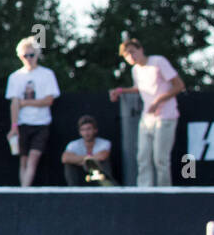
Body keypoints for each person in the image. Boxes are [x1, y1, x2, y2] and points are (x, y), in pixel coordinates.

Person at [109, 38, 185, 186]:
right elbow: (140, 88)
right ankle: (144, 192)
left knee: (160, 159)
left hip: (166, 117)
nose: (131, 56)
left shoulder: (158, 61)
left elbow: (179, 85)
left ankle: (164, 193)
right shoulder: (135, 70)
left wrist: (158, 101)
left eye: (132, 51)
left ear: (141, 49)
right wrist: (120, 91)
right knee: (143, 157)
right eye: (126, 55)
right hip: (147, 119)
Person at [6, 36, 60, 187]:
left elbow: (49, 100)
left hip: (41, 123)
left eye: (31, 55)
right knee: (23, 160)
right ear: (20, 56)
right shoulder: (15, 77)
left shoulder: (47, 74)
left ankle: (25, 190)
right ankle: (23, 191)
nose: (29, 59)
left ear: (37, 55)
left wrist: (26, 102)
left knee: (33, 158)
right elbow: (14, 104)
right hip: (23, 124)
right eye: (25, 55)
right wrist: (13, 127)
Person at [61, 115, 114, 186]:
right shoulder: (73, 144)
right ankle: (73, 190)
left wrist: (81, 160)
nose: (86, 133)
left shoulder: (104, 143)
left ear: (95, 130)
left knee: (104, 163)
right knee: (69, 165)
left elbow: (102, 156)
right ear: (80, 132)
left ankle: (107, 189)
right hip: (81, 175)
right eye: (83, 130)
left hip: (98, 175)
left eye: (89, 129)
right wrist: (88, 160)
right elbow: (65, 158)